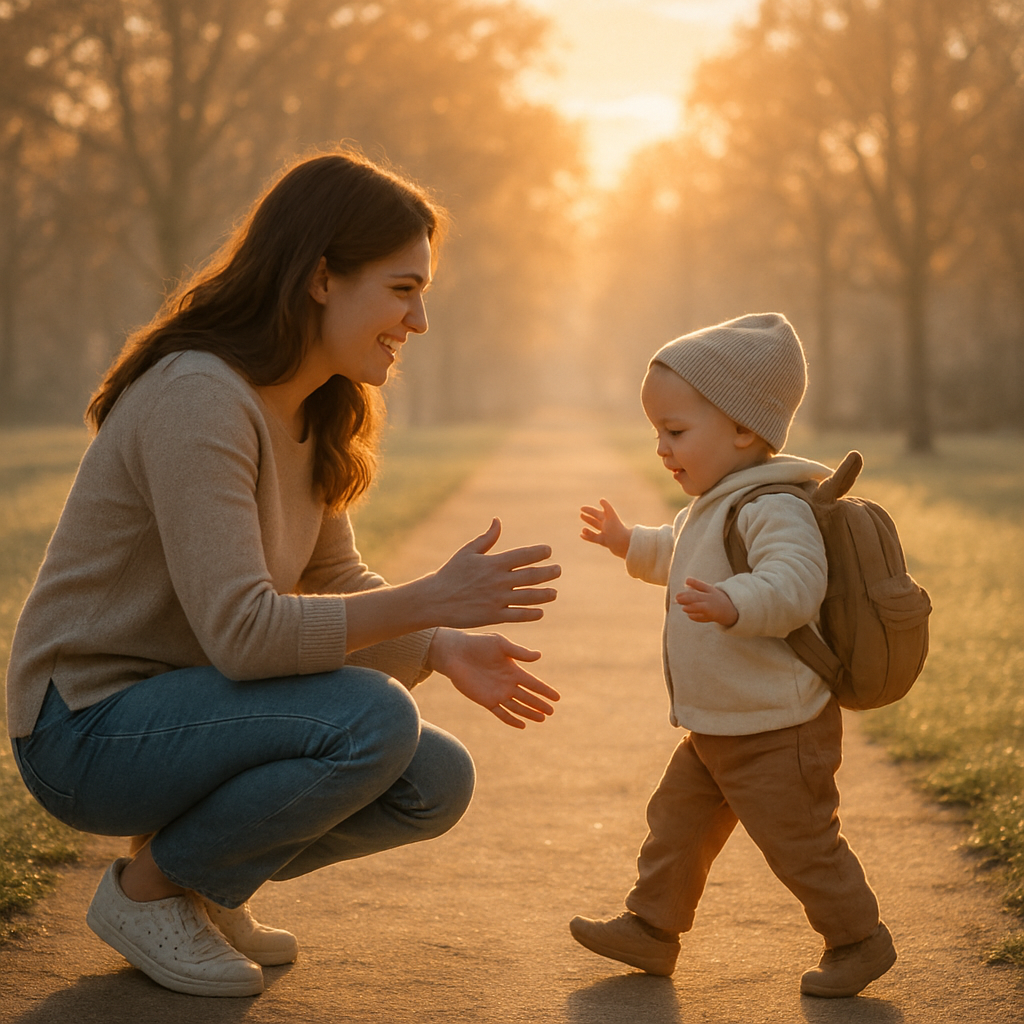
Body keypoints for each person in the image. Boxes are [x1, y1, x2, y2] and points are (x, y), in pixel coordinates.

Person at [4, 150, 562, 999]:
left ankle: (196, 881)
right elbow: (243, 632)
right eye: (402, 289)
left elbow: (333, 580)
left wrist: (439, 641)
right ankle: (149, 895)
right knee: (371, 719)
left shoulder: (313, 406)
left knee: (434, 780)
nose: (418, 321)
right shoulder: (199, 396)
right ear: (320, 278)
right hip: (83, 729)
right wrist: (431, 599)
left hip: (191, 712)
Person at [568, 313, 895, 998]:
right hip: (722, 724)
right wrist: (631, 542)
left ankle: (858, 940)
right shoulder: (713, 505)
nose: (661, 446)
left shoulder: (774, 504)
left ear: (743, 429)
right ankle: (652, 930)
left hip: (777, 727)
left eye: (676, 431)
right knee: (677, 825)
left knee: (801, 843)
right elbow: (680, 553)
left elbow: (797, 584)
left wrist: (736, 602)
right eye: (657, 431)